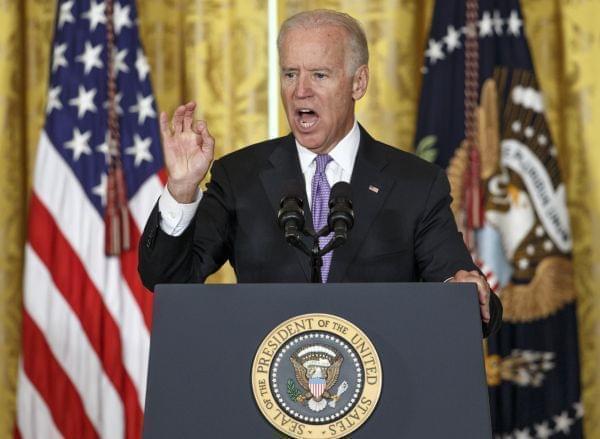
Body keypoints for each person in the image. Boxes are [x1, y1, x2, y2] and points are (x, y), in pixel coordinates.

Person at [138, 9, 502, 336]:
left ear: (358, 82)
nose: (300, 91)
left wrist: (469, 291)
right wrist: (182, 189)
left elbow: (467, 298)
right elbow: (167, 281)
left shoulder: (416, 184)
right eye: (290, 73)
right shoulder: (240, 176)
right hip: (267, 392)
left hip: (379, 391)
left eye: (320, 75)